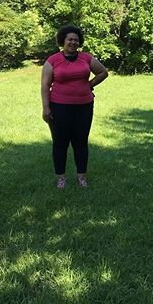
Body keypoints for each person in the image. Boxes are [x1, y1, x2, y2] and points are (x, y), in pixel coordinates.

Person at [41, 25, 108, 189]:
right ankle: (61, 178)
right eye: (70, 39)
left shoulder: (86, 58)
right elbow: (45, 85)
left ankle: (81, 177)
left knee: (81, 142)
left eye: (76, 40)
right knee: (60, 143)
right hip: (59, 107)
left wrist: (90, 85)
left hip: (84, 107)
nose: (73, 42)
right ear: (63, 40)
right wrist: (46, 108)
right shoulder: (53, 60)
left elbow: (103, 72)